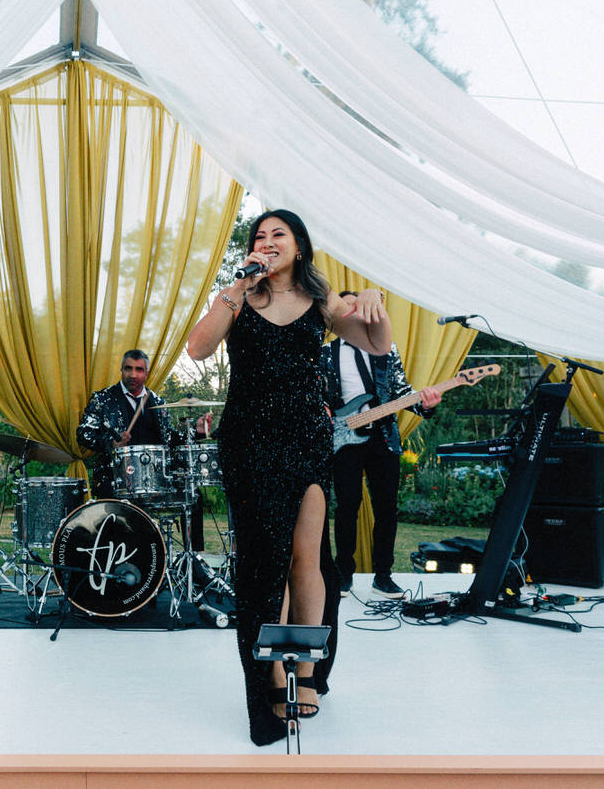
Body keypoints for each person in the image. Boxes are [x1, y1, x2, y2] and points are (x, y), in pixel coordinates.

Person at [186, 209, 391, 746]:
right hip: (249, 440)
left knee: (306, 555)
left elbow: (376, 345)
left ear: (299, 247)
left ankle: (305, 669)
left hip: (304, 437)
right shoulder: (238, 298)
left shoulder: (321, 301)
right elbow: (198, 347)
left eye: (279, 235)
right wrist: (240, 281)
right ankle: (271, 673)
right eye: (260, 236)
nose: (268, 241)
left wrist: (376, 303)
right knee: (263, 561)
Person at [322, 291, 440, 599]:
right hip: (344, 439)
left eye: (357, 306)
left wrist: (425, 405)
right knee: (347, 507)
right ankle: (344, 574)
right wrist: (321, 410)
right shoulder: (325, 353)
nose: (352, 310)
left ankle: (383, 576)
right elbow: (317, 395)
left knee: (387, 509)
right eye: (345, 306)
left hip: (383, 437)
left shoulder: (386, 350)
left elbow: (401, 390)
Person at [75, 350, 211, 548]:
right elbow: (83, 433)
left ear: (146, 373)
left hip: (156, 481)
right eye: (128, 368)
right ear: (121, 370)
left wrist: (196, 432)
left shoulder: (157, 402)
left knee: (193, 495)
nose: (133, 374)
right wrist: (110, 444)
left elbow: (170, 439)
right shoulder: (103, 399)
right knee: (125, 523)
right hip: (116, 480)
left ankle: (193, 559)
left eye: (139, 370)